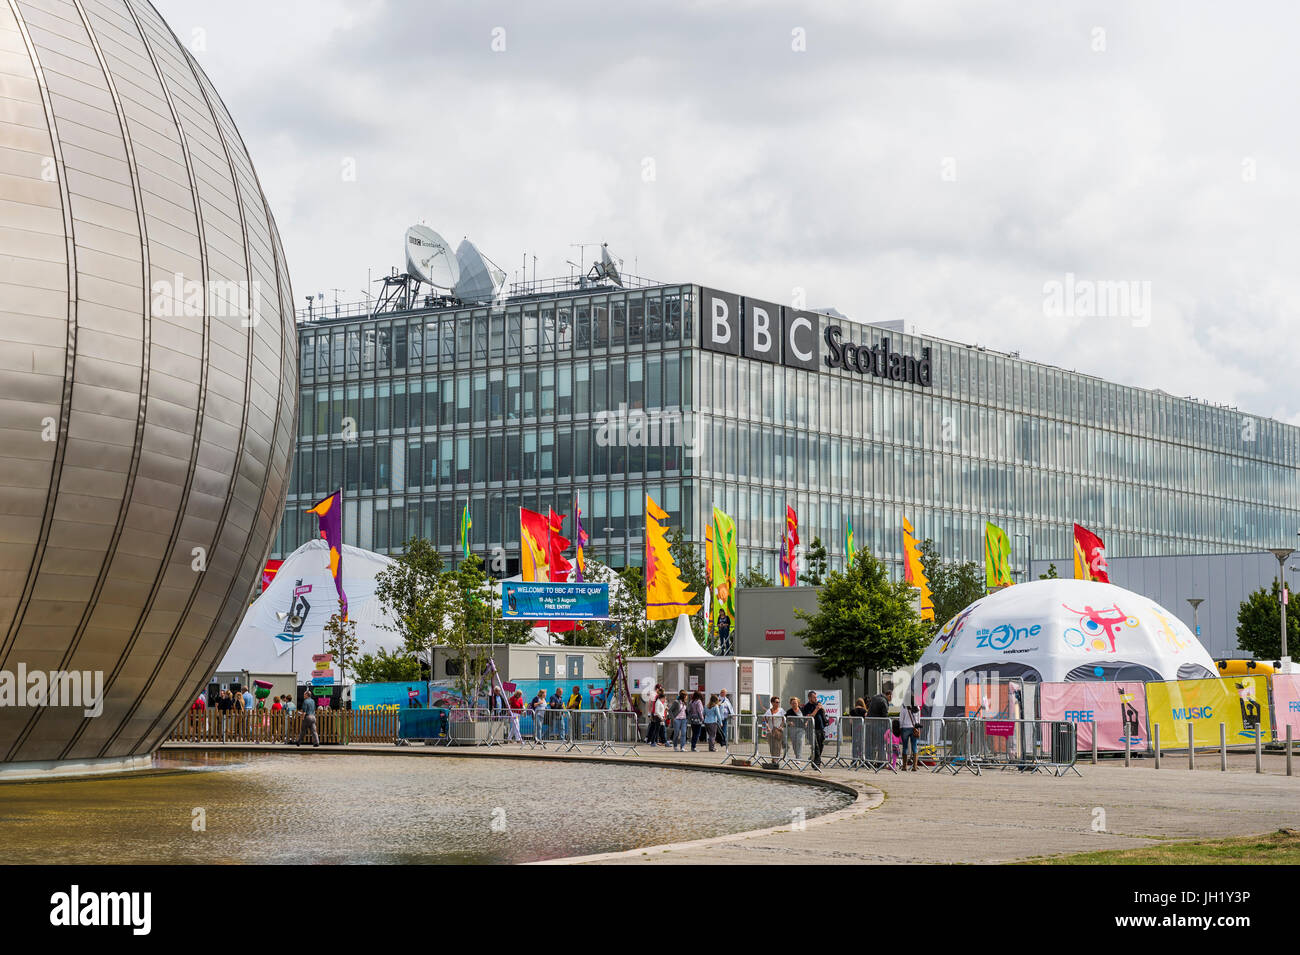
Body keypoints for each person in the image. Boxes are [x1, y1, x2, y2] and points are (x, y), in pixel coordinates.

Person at [802, 691, 828, 768]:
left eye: (816, 697)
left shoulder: (818, 704)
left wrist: (822, 707)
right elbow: (810, 716)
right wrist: (816, 709)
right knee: (815, 747)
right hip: (812, 729)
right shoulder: (807, 707)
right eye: (814, 697)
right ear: (809, 698)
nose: (816, 699)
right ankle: (817, 764)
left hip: (821, 728)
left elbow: (824, 712)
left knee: (820, 746)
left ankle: (813, 759)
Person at [898, 695, 920, 771]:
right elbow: (918, 719)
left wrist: (900, 728)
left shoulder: (904, 707)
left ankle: (904, 766)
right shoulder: (917, 707)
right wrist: (918, 728)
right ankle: (914, 766)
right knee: (914, 747)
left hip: (905, 728)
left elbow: (901, 718)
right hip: (914, 728)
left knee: (905, 747)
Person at [764, 695, 785, 765]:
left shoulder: (781, 710)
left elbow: (784, 720)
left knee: (777, 745)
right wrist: (767, 727)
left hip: (778, 730)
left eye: (778, 702)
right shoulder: (768, 711)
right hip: (770, 731)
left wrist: (781, 726)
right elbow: (765, 720)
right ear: (772, 703)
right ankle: (773, 759)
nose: (778, 703)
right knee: (772, 746)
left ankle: (776, 760)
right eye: (776, 702)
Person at [849, 697, 868, 765]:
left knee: (854, 745)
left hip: (854, 730)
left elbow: (850, 722)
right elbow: (866, 720)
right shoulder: (864, 711)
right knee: (861, 745)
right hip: (862, 730)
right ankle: (861, 760)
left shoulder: (852, 711)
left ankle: (854, 760)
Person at [785, 696, 805, 762]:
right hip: (792, 729)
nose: (794, 704)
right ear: (790, 704)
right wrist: (789, 722)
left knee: (799, 741)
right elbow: (785, 720)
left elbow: (807, 716)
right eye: (792, 703)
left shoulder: (802, 709)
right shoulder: (789, 711)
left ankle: (798, 758)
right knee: (794, 743)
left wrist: (807, 722)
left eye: (795, 703)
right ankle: (797, 756)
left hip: (801, 728)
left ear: (798, 703)